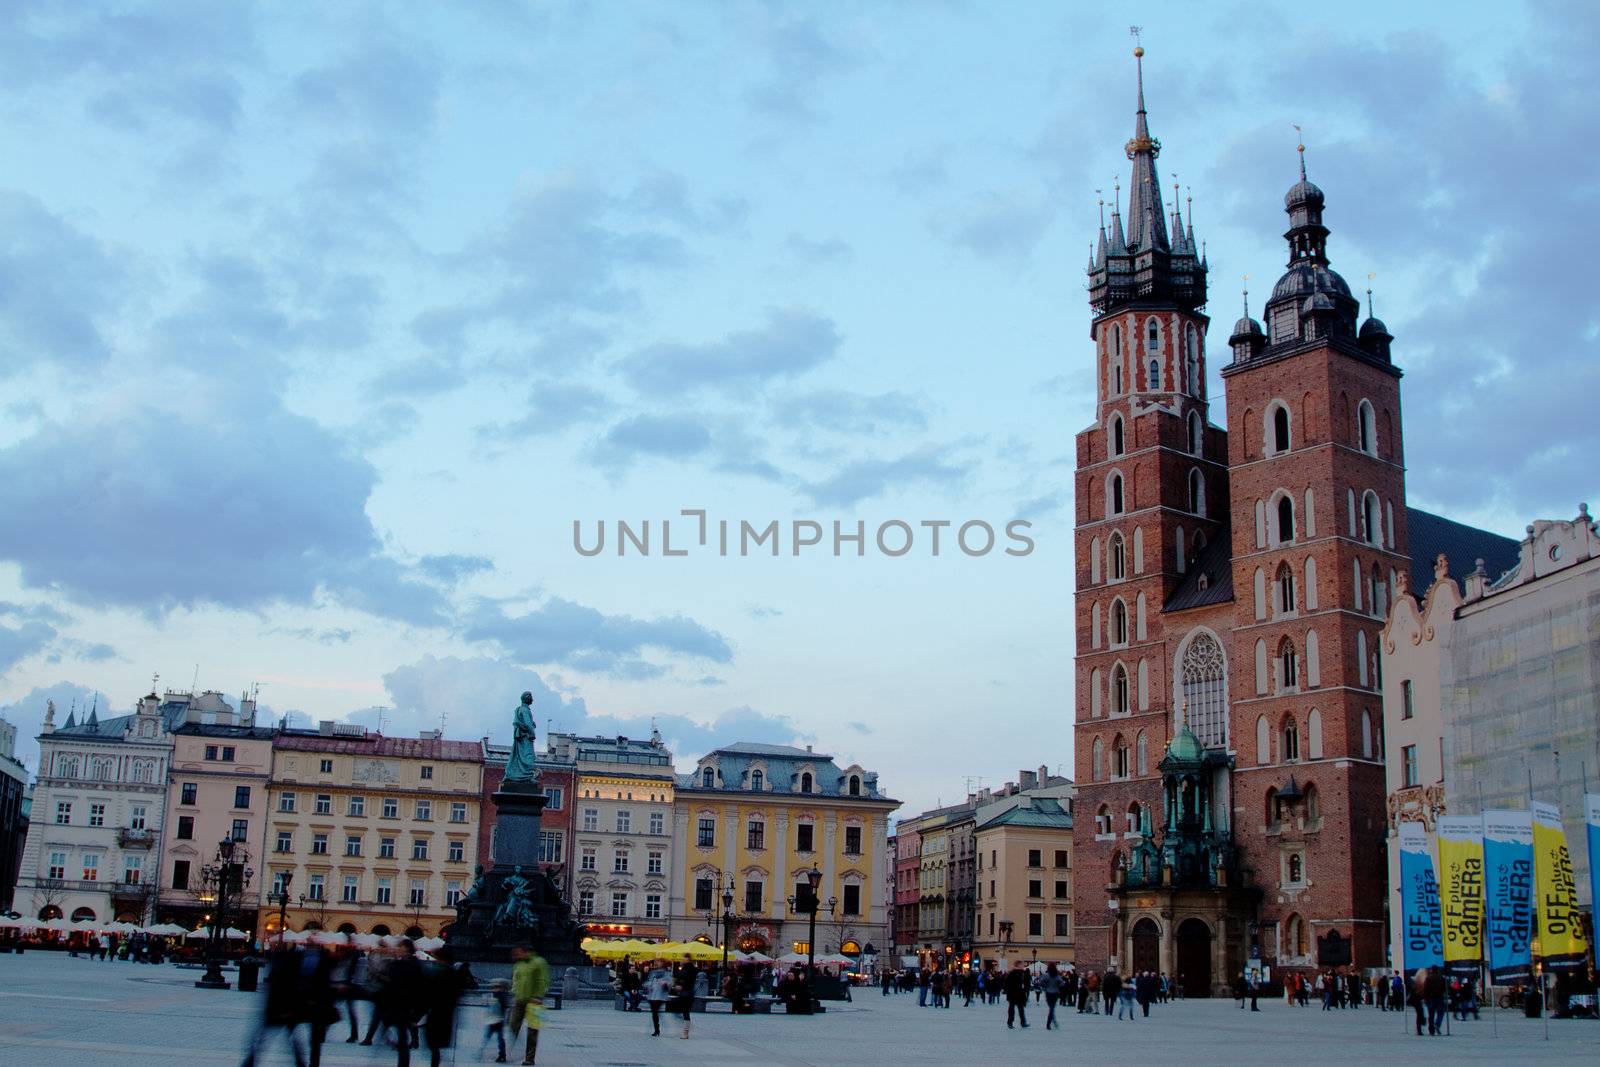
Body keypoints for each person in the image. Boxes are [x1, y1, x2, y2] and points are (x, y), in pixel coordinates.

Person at [241, 946, 308, 1067]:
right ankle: (300, 1063)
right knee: (293, 1040)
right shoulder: (292, 973)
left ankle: (249, 1063)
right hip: (284, 1011)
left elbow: (274, 991)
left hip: (274, 1010)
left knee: (262, 1039)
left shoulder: (279, 971)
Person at [510, 946, 551, 1063]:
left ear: (525, 951)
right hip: (519, 1000)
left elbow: (543, 980)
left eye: (517, 953)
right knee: (513, 1025)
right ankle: (510, 1051)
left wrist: (539, 996)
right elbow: (515, 979)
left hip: (534, 1002)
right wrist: (514, 992)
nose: (515, 956)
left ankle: (529, 1058)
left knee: (532, 1031)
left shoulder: (539, 962)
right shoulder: (519, 964)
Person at [481, 979, 512, 1062]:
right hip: (494, 1021)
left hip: (498, 1021)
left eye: (497, 987)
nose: (495, 989)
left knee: (497, 1038)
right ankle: (501, 1055)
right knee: (494, 1038)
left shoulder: (501, 996)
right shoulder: (495, 996)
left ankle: (502, 1055)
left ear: (501, 988)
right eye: (494, 987)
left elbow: (503, 1008)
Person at [645, 964, 672, 1036]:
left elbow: (669, 986)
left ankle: (657, 1030)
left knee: (655, 1012)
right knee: (654, 1013)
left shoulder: (666, 974)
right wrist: (648, 986)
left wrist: (665, 984)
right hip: (652, 996)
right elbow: (648, 982)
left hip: (660, 996)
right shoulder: (653, 973)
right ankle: (656, 1029)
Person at [1003, 960, 1030, 1029]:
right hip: (1013, 994)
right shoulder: (1013, 973)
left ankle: (1022, 1022)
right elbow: (1006, 983)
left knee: (1020, 1009)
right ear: (1018, 965)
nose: (1023, 966)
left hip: (1019, 994)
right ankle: (1010, 1022)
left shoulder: (1022, 973)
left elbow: (1024, 984)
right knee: (1013, 1009)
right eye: (1022, 965)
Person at [1423, 966, 1446, 1036]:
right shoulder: (1441, 978)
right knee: (1441, 1012)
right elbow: (1444, 988)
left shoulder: (1428, 978)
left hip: (1430, 998)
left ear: (1431, 970)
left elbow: (1425, 989)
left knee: (1431, 1014)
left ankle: (1431, 1030)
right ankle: (1437, 1024)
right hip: (1439, 997)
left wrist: (1425, 998)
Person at [1040, 963, 1064, 1029]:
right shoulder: (1057, 976)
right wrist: (1058, 987)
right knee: (1052, 1009)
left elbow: (1041, 982)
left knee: (1051, 1009)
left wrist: (1046, 986)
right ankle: (1049, 1023)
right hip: (1055, 993)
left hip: (1048, 993)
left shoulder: (1046, 975)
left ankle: (1051, 1023)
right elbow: (1062, 983)